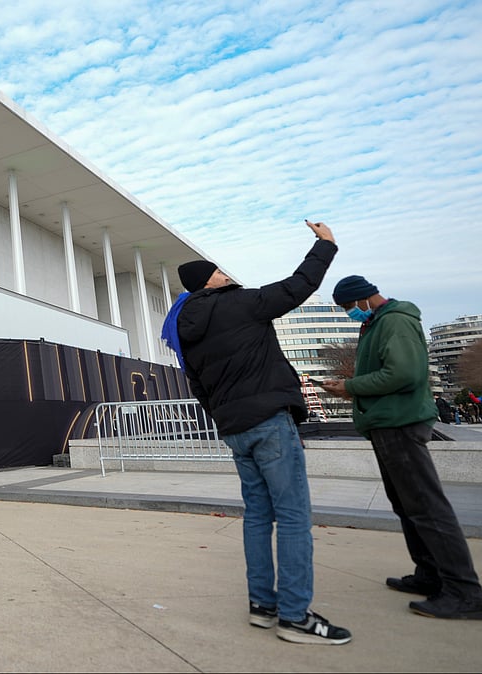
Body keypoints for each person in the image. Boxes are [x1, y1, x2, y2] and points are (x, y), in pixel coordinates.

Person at [162, 219, 351, 645]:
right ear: (210, 280)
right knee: (294, 517)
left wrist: (225, 421)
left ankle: (263, 606)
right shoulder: (242, 303)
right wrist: (325, 245)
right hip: (269, 421)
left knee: (258, 517)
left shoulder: (184, 330)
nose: (226, 273)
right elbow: (297, 286)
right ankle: (295, 616)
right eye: (219, 269)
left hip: (236, 429)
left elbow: (198, 386)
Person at [320, 276, 482, 621]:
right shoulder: (377, 322)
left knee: (426, 506)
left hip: (400, 423)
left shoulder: (394, 321)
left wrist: (349, 387)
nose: (349, 314)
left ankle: (464, 593)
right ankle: (431, 574)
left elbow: (404, 374)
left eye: (348, 307)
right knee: (408, 504)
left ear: (363, 299)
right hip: (387, 424)